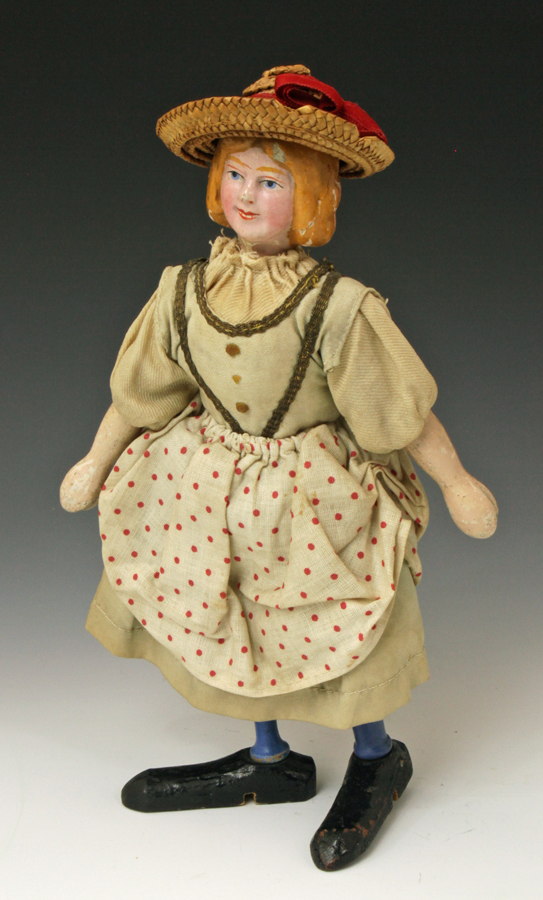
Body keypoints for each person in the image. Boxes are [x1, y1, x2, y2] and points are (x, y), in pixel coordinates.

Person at [60, 65, 497, 871]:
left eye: (271, 181)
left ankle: (376, 756)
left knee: (331, 615)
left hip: (311, 495)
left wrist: (457, 481)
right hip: (206, 485)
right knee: (233, 607)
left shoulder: (339, 306)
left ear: (314, 198)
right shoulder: (183, 290)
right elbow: (143, 389)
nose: (247, 195)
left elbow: (397, 409)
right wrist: (95, 458)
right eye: (236, 175)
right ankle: (270, 759)